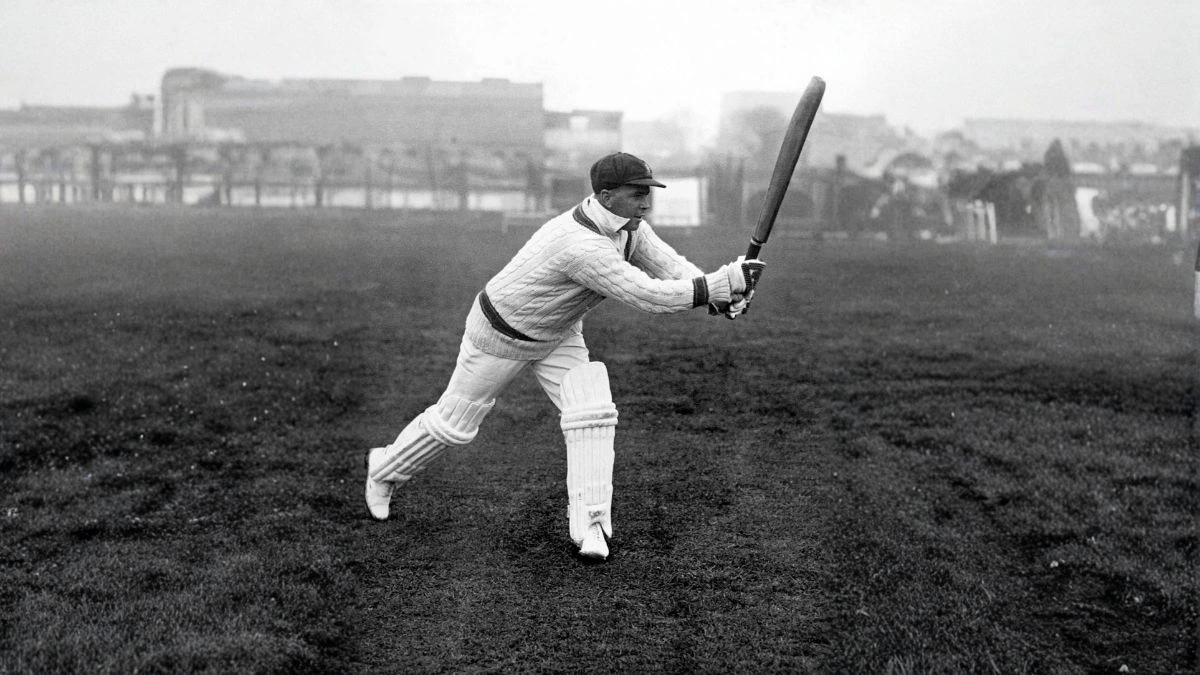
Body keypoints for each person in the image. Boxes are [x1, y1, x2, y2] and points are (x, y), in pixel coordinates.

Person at [364, 152, 764, 560]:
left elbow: (670, 267)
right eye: (637, 193)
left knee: (593, 413)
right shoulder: (580, 246)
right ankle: (383, 470)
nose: (646, 203)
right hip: (502, 333)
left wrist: (720, 295)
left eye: (649, 193)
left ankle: (591, 524)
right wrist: (716, 286)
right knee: (455, 424)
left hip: (558, 331)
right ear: (606, 196)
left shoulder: (629, 226)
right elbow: (645, 295)